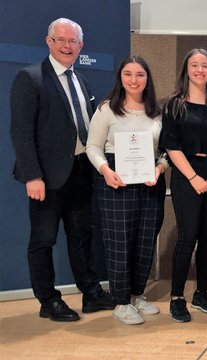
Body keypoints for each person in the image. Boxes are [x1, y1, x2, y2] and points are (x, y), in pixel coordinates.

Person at [10, 17, 114, 322]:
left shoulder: (81, 80)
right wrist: (33, 175)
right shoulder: (30, 78)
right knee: (43, 239)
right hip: (47, 177)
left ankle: (91, 294)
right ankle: (48, 300)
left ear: (81, 46)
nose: (67, 46)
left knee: (81, 235)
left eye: (73, 42)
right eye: (61, 40)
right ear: (49, 42)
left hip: (81, 172)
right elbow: (21, 132)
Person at [85, 55, 167, 325]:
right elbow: (93, 147)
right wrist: (105, 171)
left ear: (148, 78)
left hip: (150, 181)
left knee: (145, 239)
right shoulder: (107, 109)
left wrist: (159, 169)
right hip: (115, 179)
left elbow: (166, 151)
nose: (134, 80)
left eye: (140, 74)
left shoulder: (157, 111)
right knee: (120, 242)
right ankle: (121, 302)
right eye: (128, 74)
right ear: (120, 77)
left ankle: (136, 294)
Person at [159, 49, 207, 323]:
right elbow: (171, 146)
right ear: (186, 70)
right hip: (188, 174)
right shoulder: (174, 105)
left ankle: (202, 292)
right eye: (195, 65)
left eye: (205, 66)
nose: (200, 70)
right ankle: (177, 297)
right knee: (187, 238)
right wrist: (192, 178)